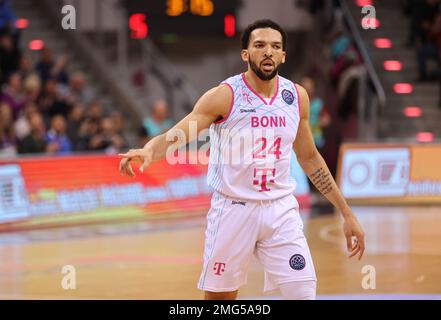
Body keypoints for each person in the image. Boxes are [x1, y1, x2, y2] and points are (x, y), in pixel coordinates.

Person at [118, 19, 365, 300]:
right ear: (245, 54)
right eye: (259, 45)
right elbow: (179, 133)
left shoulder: (296, 97)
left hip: (280, 209)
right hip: (233, 209)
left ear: (283, 55)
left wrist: (346, 213)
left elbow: (309, 157)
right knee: (221, 299)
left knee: (303, 291)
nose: (268, 52)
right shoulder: (225, 96)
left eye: (275, 47)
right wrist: (149, 150)